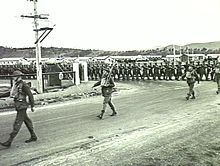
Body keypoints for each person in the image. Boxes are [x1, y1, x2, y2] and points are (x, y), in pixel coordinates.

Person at [0, 70, 37, 148]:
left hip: (22, 106)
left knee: (17, 124)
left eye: (14, 76)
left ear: (19, 77)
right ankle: (33, 136)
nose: (13, 78)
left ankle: (9, 141)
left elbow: (30, 95)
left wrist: (32, 106)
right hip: (19, 105)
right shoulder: (17, 85)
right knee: (27, 121)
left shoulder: (24, 85)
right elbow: (10, 93)